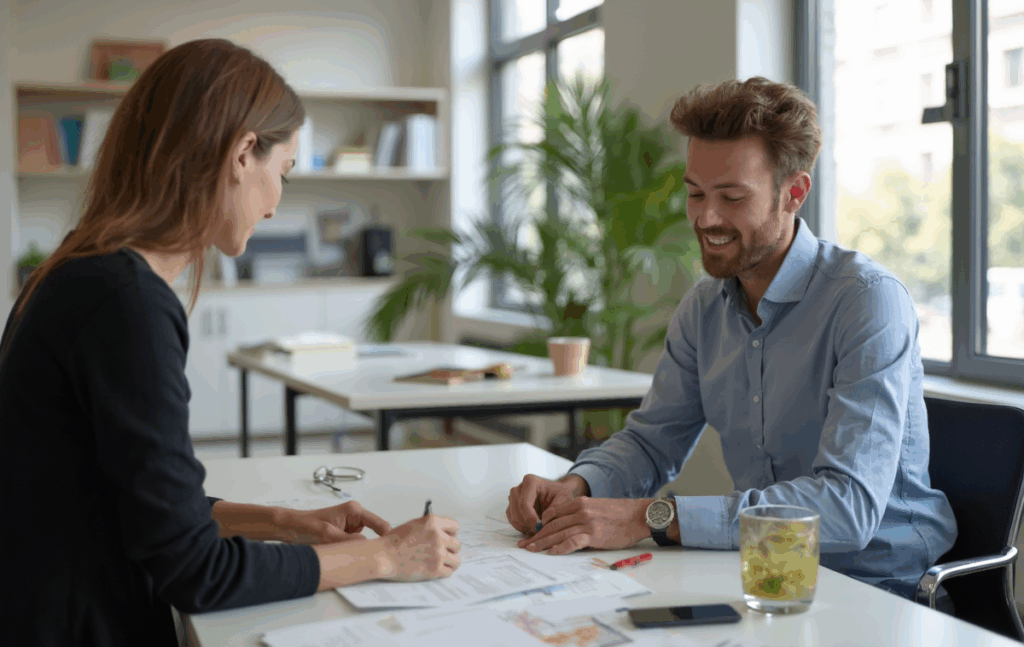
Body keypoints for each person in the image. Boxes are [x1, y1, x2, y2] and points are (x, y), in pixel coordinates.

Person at [0, 38, 461, 647]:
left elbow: (134, 502)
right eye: (284, 171)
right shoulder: (125, 301)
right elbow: (197, 572)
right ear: (244, 153)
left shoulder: (79, 274)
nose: (275, 204)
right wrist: (386, 558)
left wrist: (284, 523)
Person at [505, 77, 957, 605]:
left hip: (881, 589)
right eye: (696, 193)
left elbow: (846, 509)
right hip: (760, 574)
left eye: (732, 197)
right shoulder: (705, 306)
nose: (706, 218)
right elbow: (653, 442)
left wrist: (652, 517)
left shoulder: (867, 302)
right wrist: (579, 486)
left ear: (794, 193)